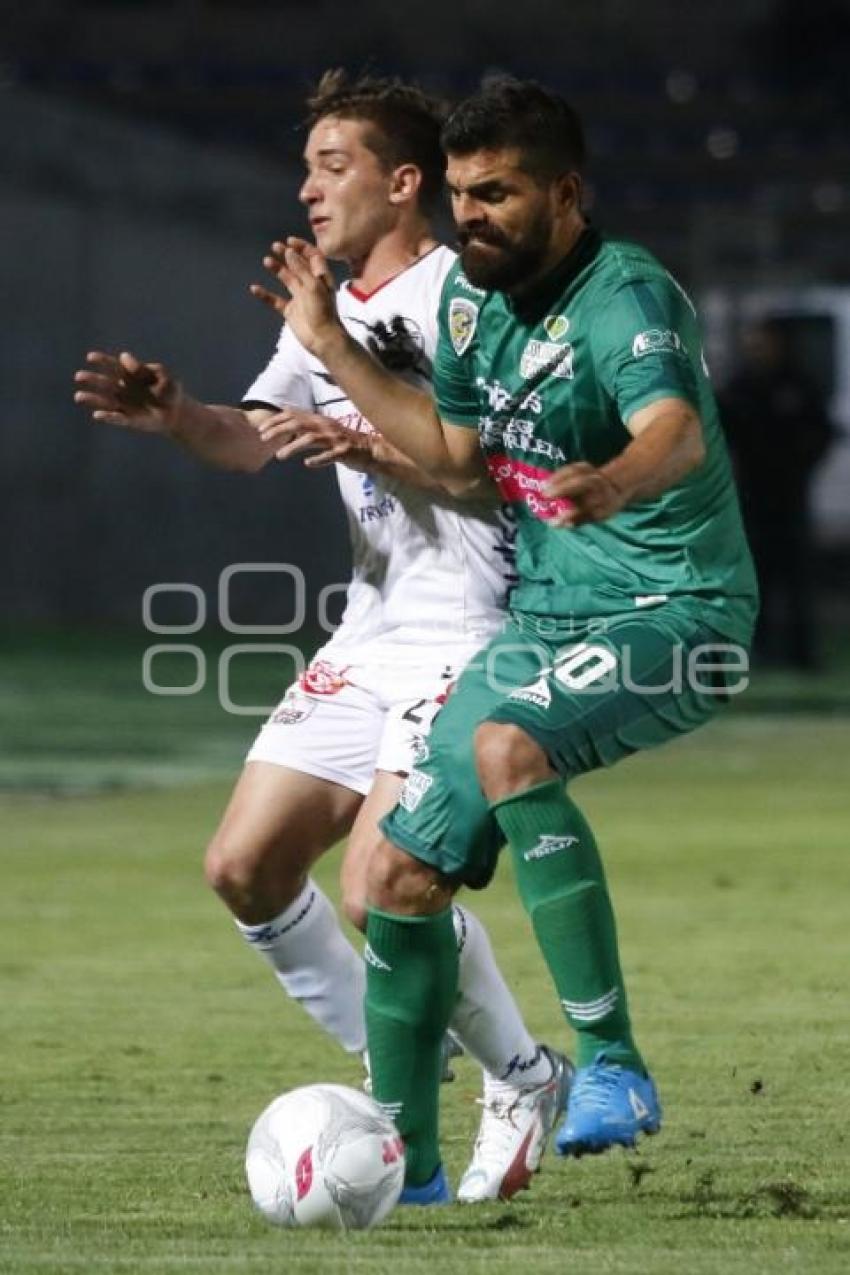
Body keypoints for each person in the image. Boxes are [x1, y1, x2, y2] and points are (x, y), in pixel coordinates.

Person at [72, 71, 572, 1204]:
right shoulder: (325, 311)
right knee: (243, 868)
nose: (307, 190)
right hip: (372, 628)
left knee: (377, 890)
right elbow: (249, 438)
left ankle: (517, 1076)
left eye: (331, 166)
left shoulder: (469, 298)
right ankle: (394, 1050)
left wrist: (352, 426)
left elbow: (485, 477)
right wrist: (179, 414)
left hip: (477, 630)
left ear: (406, 183)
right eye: (304, 169)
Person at [258, 75, 759, 1202]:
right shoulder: (476, 312)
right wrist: (334, 352)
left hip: (675, 609)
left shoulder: (623, 295)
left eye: (498, 193)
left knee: (507, 750)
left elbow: (672, 433)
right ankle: (407, 1169)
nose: (472, 215)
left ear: (565, 195)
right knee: (388, 878)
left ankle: (615, 1068)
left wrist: (611, 481)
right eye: (460, 194)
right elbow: (449, 455)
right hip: (551, 622)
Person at [720, 317, 833, 670]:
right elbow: (721, 432)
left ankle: (802, 654)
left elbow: (821, 433)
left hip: (791, 497)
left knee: (796, 578)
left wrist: (800, 464)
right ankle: (760, 650)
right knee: (757, 579)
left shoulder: (798, 385)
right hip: (753, 498)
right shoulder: (741, 387)